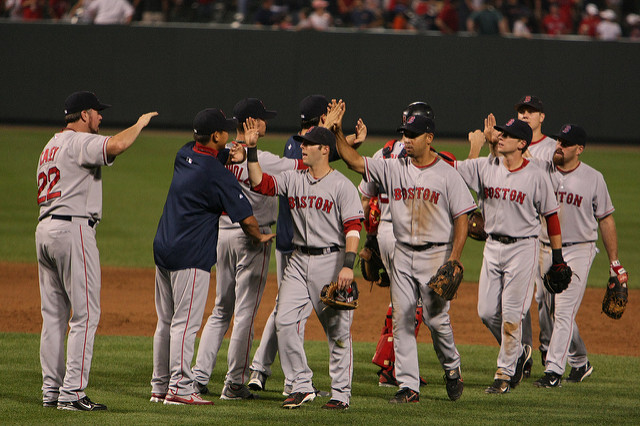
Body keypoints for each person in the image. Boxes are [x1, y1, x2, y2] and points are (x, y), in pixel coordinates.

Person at [332, 100, 476, 404]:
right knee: (403, 317)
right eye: (404, 134)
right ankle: (409, 385)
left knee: (437, 320)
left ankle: (452, 369)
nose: (406, 140)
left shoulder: (448, 174)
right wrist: (336, 131)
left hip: (436, 255)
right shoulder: (392, 168)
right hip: (401, 253)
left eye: (412, 135)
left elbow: (462, 219)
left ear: (429, 137)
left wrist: (455, 258)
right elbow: (354, 162)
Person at [36, 91, 157, 410]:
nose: (101, 117)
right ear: (83, 114)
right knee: (85, 315)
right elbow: (115, 145)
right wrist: (139, 124)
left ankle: (51, 389)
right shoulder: (77, 142)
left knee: (53, 317)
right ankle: (72, 393)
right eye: (97, 112)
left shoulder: (50, 146)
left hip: (45, 230)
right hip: (72, 229)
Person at [151, 108, 274, 406]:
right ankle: (180, 389)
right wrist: (259, 236)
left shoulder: (184, 154)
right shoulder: (216, 175)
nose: (229, 134)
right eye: (225, 132)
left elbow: (209, 158)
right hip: (189, 254)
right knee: (184, 323)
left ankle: (160, 386)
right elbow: (246, 218)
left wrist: (231, 152)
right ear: (216, 136)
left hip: (163, 248)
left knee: (165, 322)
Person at [191, 98, 305, 401]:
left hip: (222, 235)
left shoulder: (220, 155)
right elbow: (308, 164)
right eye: (263, 118)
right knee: (244, 313)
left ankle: (198, 377)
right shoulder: (263, 159)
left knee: (220, 309)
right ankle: (235, 383)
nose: (268, 122)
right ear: (252, 123)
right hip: (253, 238)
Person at [246, 121, 364, 410]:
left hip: (332, 261)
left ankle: (341, 394)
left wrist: (348, 266)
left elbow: (353, 229)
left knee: (337, 332)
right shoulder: (294, 178)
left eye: (308, 144)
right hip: (298, 262)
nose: (302, 147)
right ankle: (302, 384)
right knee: (284, 321)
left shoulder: (342, 186)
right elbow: (259, 183)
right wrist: (251, 150)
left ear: (325, 150)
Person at [459, 119, 567, 394]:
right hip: (492, 247)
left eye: (508, 135)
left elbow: (552, 217)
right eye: (501, 133)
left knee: (511, 315)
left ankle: (504, 375)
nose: (501, 137)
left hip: (523, 248)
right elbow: (456, 174)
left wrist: (558, 258)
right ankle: (519, 352)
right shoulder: (487, 166)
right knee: (485, 311)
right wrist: (477, 146)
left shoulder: (536, 175)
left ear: (522, 144)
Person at [529, 124, 624, 387]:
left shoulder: (594, 178)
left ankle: (553, 371)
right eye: (558, 140)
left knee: (564, 310)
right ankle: (580, 361)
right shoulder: (541, 169)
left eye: (566, 143)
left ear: (579, 149)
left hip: (579, 249)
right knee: (547, 308)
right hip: (546, 247)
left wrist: (614, 263)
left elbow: (605, 220)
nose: (559, 145)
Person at [359, 101, 435, 388]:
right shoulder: (424, 156)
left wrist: (371, 237)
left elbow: (367, 199)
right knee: (412, 303)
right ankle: (391, 370)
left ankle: (394, 366)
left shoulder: (384, 151)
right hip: (407, 235)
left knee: (402, 301)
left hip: (385, 233)